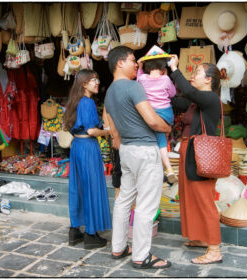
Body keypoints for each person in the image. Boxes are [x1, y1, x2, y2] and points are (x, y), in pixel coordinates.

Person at [105, 46, 172, 269]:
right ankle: (141, 256)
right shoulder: (134, 87)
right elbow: (152, 121)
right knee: (146, 204)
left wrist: (120, 139)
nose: (137, 64)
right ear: (119, 64)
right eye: (133, 60)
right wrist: (167, 128)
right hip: (144, 150)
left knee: (124, 199)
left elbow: (112, 126)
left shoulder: (110, 91)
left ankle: (119, 247)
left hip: (126, 150)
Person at [168, 54, 223, 264]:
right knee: (190, 196)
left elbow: (189, 91)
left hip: (202, 156)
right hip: (190, 153)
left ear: (208, 79)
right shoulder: (195, 103)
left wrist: (175, 69)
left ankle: (215, 249)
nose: (194, 75)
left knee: (204, 200)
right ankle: (201, 238)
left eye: (198, 72)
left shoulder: (210, 98)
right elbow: (175, 100)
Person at [64, 69, 112, 250]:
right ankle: (91, 235)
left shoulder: (74, 102)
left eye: (97, 78)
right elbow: (92, 131)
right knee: (91, 187)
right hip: (88, 147)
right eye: (93, 80)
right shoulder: (88, 103)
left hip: (77, 147)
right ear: (84, 84)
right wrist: (108, 132)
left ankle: (74, 230)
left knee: (78, 188)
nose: (97, 82)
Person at [136, 54, 177, 183]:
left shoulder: (142, 78)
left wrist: (140, 67)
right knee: (161, 140)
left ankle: (167, 168)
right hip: (166, 114)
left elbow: (137, 81)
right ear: (163, 66)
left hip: (151, 114)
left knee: (158, 140)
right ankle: (168, 168)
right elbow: (173, 93)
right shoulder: (165, 79)